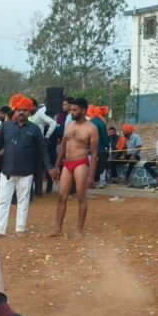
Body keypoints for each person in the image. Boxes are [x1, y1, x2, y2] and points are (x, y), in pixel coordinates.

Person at [0, 95, 58, 239]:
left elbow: (42, 149)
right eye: (19, 109)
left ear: (29, 112)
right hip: (7, 171)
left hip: (26, 172)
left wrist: (50, 167)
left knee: (23, 200)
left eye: (25, 110)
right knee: (3, 201)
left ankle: (20, 229)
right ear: (15, 110)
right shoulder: (6, 127)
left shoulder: (34, 129)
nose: (21, 112)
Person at [51, 97, 98, 237]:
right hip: (67, 163)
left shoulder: (91, 128)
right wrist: (56, 166)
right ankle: (58, 228)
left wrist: (91, 176)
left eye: (75, 110)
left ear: (83, 110)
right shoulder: (69, 125)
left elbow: (94, 154)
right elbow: (63, 146)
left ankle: (79, 230)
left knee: (81, 195)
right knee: (61, 196)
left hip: (81, 162)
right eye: (71, 109)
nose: (72, 112)